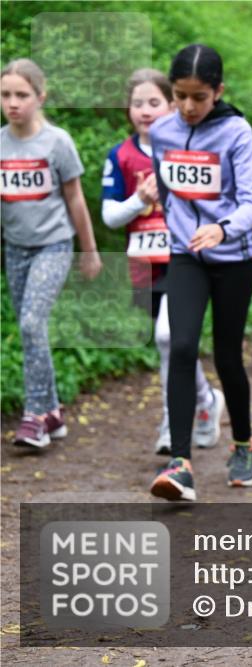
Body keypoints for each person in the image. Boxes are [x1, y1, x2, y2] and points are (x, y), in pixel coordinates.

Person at [148, 44, 252, 501]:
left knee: (227, 356)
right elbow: (166, 190)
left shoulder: (236, 132)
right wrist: (184, 230)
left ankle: (244, 444)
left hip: (234, 258)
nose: (189, 107)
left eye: (199, 97)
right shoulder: (162, 131)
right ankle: (180, 463)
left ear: (218, 91)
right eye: (180, 96)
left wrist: (221, 228)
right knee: (179, 346)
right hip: (185, 256)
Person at [102, 68, 225, 455]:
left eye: (153, 102)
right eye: (137, 103)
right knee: (173, 345)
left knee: (167, 337)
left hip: (184, 260)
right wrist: (140, 200)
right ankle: (206, 400)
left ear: (172, 104)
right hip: (144, 264)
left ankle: (173, 423)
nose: (144, 110)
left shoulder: (186, 148)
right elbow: (109, 217)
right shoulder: (120, 155)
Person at [2, 58, 102, 449]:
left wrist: (89, 250)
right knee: (31, 331)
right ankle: (54, 410)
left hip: (53, 244)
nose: (13, 103)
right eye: (6, 94)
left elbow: (75, 198)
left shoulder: (57, 142)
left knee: (30, 323)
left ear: (40, 97)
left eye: (22, 95)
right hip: (16, 248)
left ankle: (35, 417)